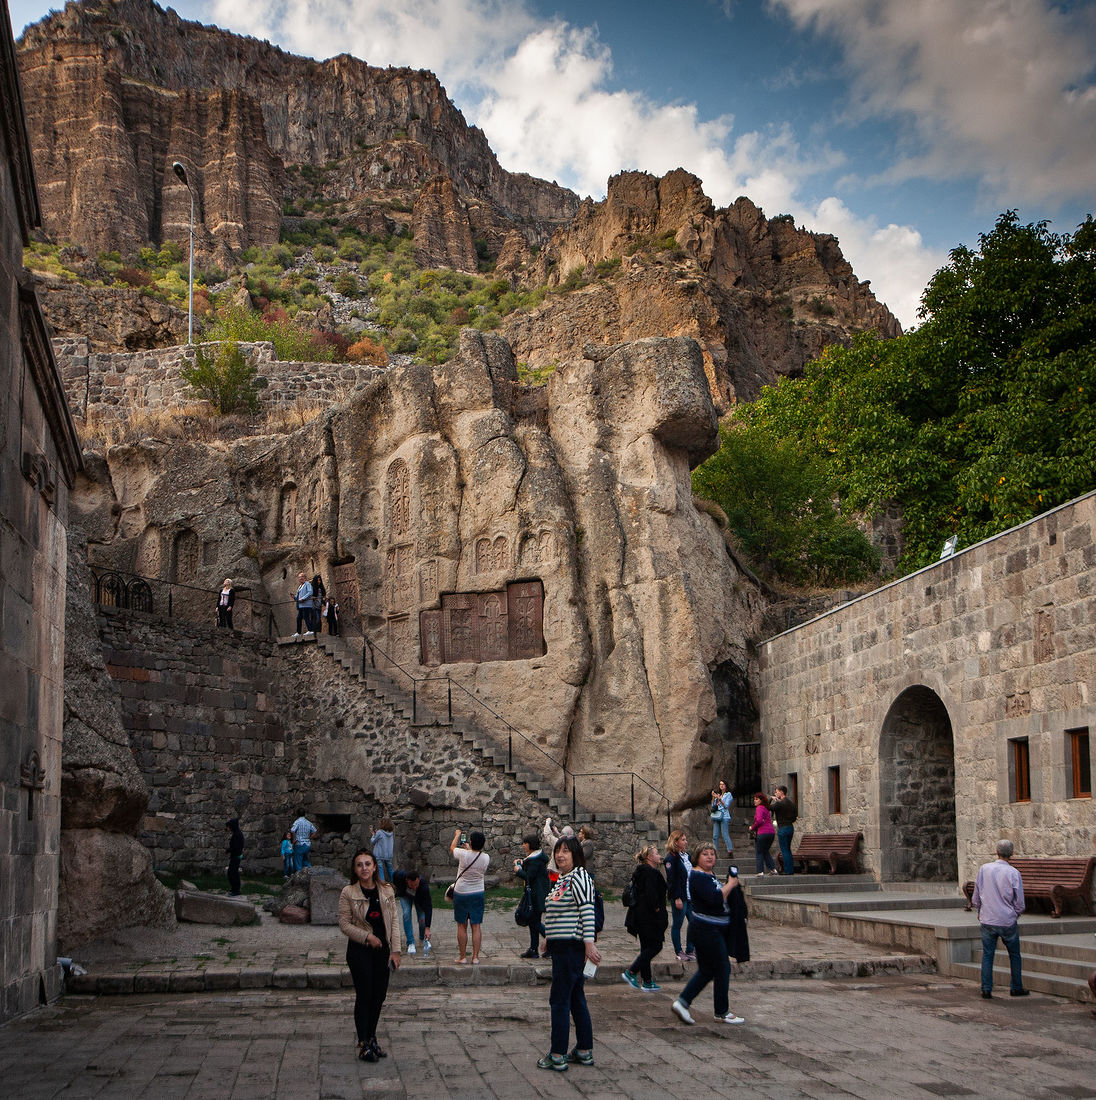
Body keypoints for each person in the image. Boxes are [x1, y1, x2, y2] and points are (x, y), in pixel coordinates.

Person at [537, 835, 601, 1072]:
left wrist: (589, 944)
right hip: (561, 945)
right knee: (575, 998)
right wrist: (548, 939)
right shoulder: (564, 879)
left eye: (565, 851)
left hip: (571, 948)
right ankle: (584, 1050)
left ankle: (557, 1054)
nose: (560, 855)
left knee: (559, 1000)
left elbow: (587, 910)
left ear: (576, 854)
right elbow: (557, 914)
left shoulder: (580, 876)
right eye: (557, 851)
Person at [338, 848, 402, 1062]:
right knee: (364, 994)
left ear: (375, 866)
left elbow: (393, 920)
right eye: (359, 865)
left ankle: (372, 1037)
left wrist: (396, 950)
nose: (364, 868)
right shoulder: (349, 892)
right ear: (355, 869)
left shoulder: (387, 890)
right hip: (360, 951)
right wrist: (367, 937)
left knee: (379, 996)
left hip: (382, 951)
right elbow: (344, 924)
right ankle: (363, 1042)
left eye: (367, 864)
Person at [671, 843, 746, 1026]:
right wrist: (730, 884)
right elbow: (714, 898)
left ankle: (683, 1002)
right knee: (722, 968)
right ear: (697, 857)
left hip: (711, 929)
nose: (710, 857)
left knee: (707, 970)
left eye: (712, 854)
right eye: (705, 854)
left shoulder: (708, 875)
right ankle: (721, 1012)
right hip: (706, 930)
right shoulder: (698, 876)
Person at [971, 839, 1028, 998]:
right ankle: (1016, 986)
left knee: (988, 954)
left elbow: (977, 892)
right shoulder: (1013, 873)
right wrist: (1015, 913)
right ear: (1012, 854)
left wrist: (979, 909)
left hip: (988, 918)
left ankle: (986, 988)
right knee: (1014, 954)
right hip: (1006, 919)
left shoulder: (984, 869)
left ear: (996, 852)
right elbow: (1019, 901)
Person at [621, 843, 668, 993]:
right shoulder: (651, 873)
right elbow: (651, 894)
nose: (659, 855)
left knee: (646, 947)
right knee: (656, 946)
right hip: (649, 916)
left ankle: (647, 981)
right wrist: (657, 907)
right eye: (656, 853)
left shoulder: (641, 871)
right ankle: (632, 971)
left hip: (639, 915)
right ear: (649, 857)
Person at [449, 827, 489, 964]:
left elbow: (452, 848)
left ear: (470, 842)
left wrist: (457, 835)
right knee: (476, 925)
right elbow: (475, 857)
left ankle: (462, 956)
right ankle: (476, 957)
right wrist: (469, 849)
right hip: (477, 891)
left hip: (461, 892)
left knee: (461, 925)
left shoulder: (463, 854)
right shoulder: (486, 858)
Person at [515, 832, 550, 958]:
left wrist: (518, 870)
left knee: (534, 922)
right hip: (536, 895)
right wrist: (522, 864)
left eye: (525, 843)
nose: (523, 845)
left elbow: (529, 877)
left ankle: (551, 942)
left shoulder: (535, 860)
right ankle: (534, 949)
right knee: (533, 921)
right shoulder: (535, 858)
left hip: (536, 896)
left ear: (530, 845)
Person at [664, 830, 694, 962]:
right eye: (683, 840)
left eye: (686, 839)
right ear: (676, 842)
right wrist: (676, 897)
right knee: (678, 923)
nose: (686, 842)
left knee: (693, 922)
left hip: (690, 894)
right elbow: (672, 880)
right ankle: (678, 950)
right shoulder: (671, 858)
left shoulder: (687, 856)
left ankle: (691, 949)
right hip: (680, 895)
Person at [392, 868, 432, 957]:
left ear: (419, 880)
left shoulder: (423, 887)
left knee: (422, 918)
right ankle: (410, 942)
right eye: (412, 885)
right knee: (406, 913)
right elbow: (394, 879)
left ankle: (423, 937)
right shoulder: (399, 875)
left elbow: (428, 907)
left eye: (416, 884)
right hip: (404, 895)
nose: (414, 887)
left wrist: (427, 927)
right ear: (407, 881)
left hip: (419, 898)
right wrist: (397, 889)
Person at [771, 785, 798, 875]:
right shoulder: (791, 803)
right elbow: (794, 817)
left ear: (781, 792)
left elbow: (769, 807)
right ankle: (790, 869)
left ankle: (788, 870)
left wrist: (771, 799)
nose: (775, 793)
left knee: (784, 850)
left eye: (776, 791)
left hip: (783, 828)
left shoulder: (780, 804)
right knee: (788, 849)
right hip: (790, 827)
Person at [725, 865, 750, 963]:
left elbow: (743, 906)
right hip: (732, 919)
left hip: (738, 919)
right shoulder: (730, 890)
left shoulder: (738, 891)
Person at [749, 792, 777, 875]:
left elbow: (759, 821)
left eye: (756, 799)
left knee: (759, 851)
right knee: (765, 851)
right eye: (754, 799)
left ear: (761, 800)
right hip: (771, 833)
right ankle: (773, 869)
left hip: (763, 833)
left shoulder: (759, 808)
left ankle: (760, 871)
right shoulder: (766, 808)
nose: (755, 801)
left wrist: (752, 827)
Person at [710, 780, 734, 856]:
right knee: (715, 835)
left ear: (726, 785)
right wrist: (714, 797)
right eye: (720, 784)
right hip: (717, 815)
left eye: (723, 784)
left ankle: (730, 851)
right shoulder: (719, 794)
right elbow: (713, 805)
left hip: (724, 816)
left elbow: (726, 805)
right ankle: (715, 852)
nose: (721, 786)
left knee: (725, 834)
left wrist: (720, 799)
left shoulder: (728, 794)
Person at [370, 819, 395, 883]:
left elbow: (373, 842)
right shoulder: (391, 833)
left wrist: (373, 834)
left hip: (379, 854)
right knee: (390, 869)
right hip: (388, 855)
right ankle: (394, 883)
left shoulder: (380, 832)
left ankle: (382, 884)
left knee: (380, 870)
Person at [225, 818, 244, 896]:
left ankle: (236, 890)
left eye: (229, 826)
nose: (228, 828)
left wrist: (228, 850)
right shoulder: (237, 833)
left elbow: (235, 847)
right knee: (233, 872)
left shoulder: (237, 835)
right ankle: (235, 889)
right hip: (236, 855)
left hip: (236, 856)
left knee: (232, 873)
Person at [293, 572, 314, 637]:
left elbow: (310, 592)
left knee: (306, 617)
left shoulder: (307, 584)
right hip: (301, 605)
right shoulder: (300, 586)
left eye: (301, 577)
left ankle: (310, 630)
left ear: (305, 577)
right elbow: (298, 596)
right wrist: (294, 597)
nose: (300, 578)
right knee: (299, 618)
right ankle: (298, 632)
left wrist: (303, 598)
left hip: (306, 604)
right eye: (299, 577)